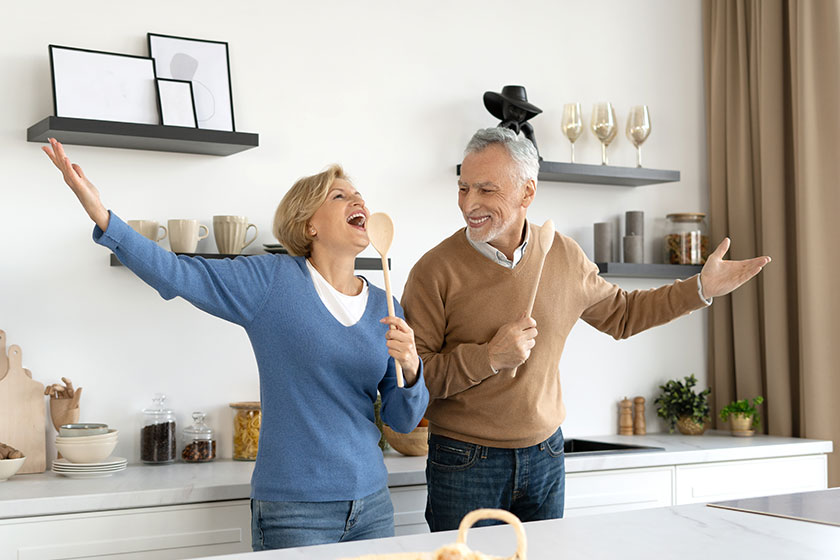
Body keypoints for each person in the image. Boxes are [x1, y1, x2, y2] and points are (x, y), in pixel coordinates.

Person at [43, 138, 429, 550]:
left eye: (358, 195)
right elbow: (177, 273)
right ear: (309, 226)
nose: (358, 201)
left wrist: (410, 368)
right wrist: (103, 217)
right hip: (295, 511)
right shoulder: (271, 282)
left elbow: (402, 420)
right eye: (339, 196)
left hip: (372, 505)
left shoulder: (386, 306)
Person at [401, 127, 770, 531]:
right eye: (463, 188)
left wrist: (700, 288)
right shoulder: (433, 271)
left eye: (486, 190)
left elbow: (624, 314)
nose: (470, 203)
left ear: (527, 192)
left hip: (546, 455)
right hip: (464, 460)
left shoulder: (563, 254)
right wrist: (488, 357)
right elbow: (417, 379)